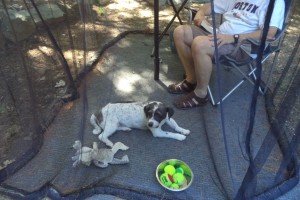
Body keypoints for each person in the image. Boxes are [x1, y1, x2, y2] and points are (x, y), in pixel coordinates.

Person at [167, 0, 285, 109]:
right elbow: (211, 6)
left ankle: (200, 94)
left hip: (243, 46)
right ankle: (191, 80)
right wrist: (201, 12)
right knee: (181, 32)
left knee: (200, 44)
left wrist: (235, 37)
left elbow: (269, 34)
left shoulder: (275, 3)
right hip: (220, 35)